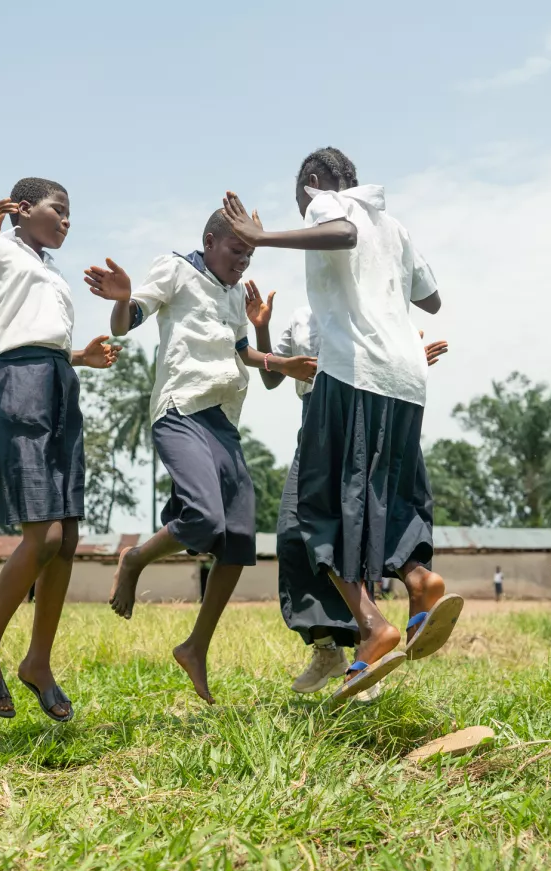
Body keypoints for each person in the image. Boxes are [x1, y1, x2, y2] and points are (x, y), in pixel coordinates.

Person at [222, 147, 463, 702]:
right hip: (406, 378)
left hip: (353, 373)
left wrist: (261, 238)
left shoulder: (326, 202)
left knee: (316, 510)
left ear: (311, 182)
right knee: (391, 497)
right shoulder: (393, 223)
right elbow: (430, 298)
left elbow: (342, 236)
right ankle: (421, 582)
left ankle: (372, 625)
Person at [83, 210, 316, 704]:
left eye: (249, 255)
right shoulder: (175, 269)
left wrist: (280, 360)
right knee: (204, 517)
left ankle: (195, 647)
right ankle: (135, 559)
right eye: (236, 251)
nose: (242, 262)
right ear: (210, 242)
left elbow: (241, 352)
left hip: (224, 421)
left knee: (237, 538)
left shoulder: (234, 294)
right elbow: (127, 323)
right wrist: (123, 299)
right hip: (181, 409)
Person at [0, 177, 120, 723]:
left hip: (58, 383)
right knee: (42, 535)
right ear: (21, 209)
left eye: (70, 213)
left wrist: (78, 357)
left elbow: (38, 333)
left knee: (66, 539)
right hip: (17, 386)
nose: (67, 220)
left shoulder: (51, 270)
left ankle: (38, 661)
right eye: (58, 209)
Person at [257, 303, 447, 700]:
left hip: (352, 412)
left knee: (342, 525)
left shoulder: (370, 303)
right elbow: (270, 378)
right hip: (316, 416)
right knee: (296, 534)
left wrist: (410, 359)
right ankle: (330, 648)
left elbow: (397, 353)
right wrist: (263, 331)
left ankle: (370, 639)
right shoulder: (304, 313)